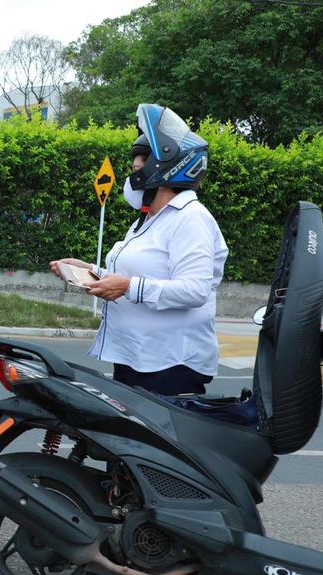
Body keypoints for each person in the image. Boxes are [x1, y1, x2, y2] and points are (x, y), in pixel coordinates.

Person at [51, 103, 228, 396]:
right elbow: (133, 278)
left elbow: (195, 290)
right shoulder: (147, 221)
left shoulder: (190, 217)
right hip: (135, 357)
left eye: (137, 169)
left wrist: (127, 286)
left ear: (162, 171)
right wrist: (91, 272)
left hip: (169, 364)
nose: (132, 178)